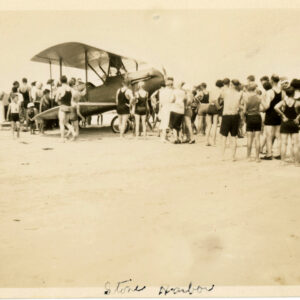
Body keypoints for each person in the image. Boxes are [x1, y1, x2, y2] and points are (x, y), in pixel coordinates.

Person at [219, 79, 243, 161]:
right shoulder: (239, 94)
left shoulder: (225, 92)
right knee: (233, 137)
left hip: (226, 115)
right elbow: (240, 105)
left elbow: (220, 100)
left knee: (224, 137)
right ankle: (232, 156)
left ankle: (222, 156)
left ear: (231, 84)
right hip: (235, 116)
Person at [275, 87, 299, 164]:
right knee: (295, 143)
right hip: (294, 123)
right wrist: (297, 118)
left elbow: (275, 107)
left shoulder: (283, 101)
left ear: (286, 93)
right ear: (294, 93)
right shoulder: (297, 102)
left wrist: (283, 115)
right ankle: (297, 162)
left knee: (284, 143)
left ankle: (282, 161)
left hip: (285, 122)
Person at [261, 74, 282, 160]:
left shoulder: (269, 92)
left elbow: (267, 106)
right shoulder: (282, 91)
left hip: (270, 115)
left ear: (272, 81)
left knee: (269, 135)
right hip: (278, 114)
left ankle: (269, 154)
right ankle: (279, 153)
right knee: (278, 135)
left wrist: (261, 100)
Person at [243, 82, 263, 162]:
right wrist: (258, 110)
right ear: (255, 89)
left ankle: (248, 157)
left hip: (249, 117)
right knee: (257, 138)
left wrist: (244, 117)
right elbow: (265, 106)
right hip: (257, 117)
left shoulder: (246, 98)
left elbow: (244, 111)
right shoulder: (259, 97)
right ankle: (257, 157)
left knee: (249, 138)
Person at [55, 75, 76, 142]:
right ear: (66, 81)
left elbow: (56, 99)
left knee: (61, 123)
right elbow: (73, 98)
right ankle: (74, 133)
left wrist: (59, 99)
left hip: (63, 107)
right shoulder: (70, 89)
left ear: (60, 81)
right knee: (66, 123)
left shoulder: (60, 89)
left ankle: (62, 138)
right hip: (69, 107)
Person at [158, 77, 176, 142]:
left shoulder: (162, 91)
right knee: (167, 122)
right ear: (170, 85)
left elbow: (160, 102)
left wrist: (159, 110)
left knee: (164, 122)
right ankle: (163, 138)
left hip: (164, 107)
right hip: (169, 107)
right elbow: (172, 100)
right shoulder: (172, 91)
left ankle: (164, 137)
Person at [205, 80, 223, 146]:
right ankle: (213, 142)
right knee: (215, 125)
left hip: (210, 106)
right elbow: (216, 100)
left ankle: (206, 141)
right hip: (215, 107)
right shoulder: (220, 91)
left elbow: (210, 100)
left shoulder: (211, 90)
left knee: (209, 125)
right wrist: (219, 107)